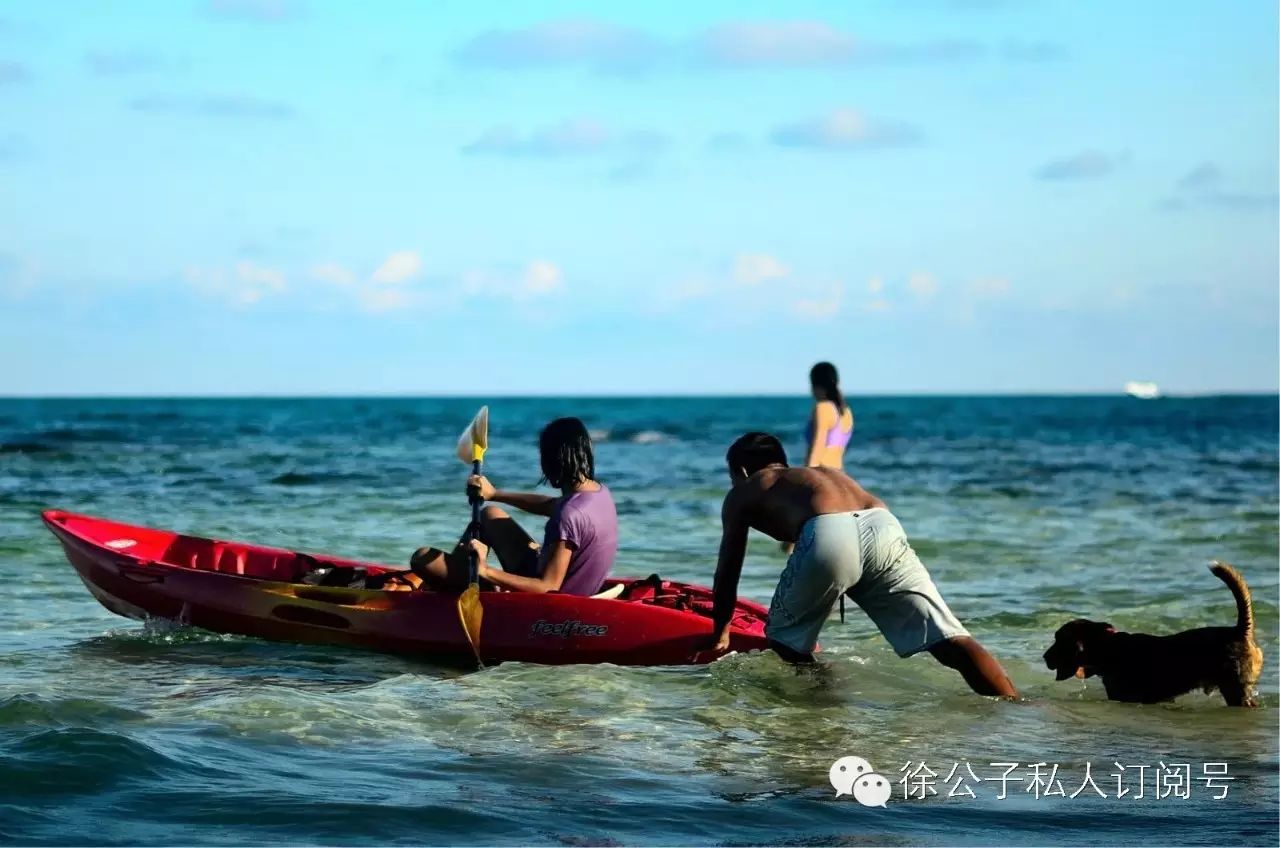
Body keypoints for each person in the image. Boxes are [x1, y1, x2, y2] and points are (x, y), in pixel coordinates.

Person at [706, 432, 1018, 698]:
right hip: (883, 524)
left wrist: (720, 633)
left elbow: (728, 569)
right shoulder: (819, 475)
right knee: (947, 639)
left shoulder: (747, 490)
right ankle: (1016, 707)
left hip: (828, 530)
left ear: (742, 470)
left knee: (784, 639)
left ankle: (828, 709)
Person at [407, 417, 618, 596]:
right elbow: (550, 505)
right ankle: (461, 580)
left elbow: (548, 587)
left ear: (553, 460)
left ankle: (469, 587)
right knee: (489, 514)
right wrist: (494, 494)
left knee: (422, 558)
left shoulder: (569, 515)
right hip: (566, 579)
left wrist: (486, 570)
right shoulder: (598, 494)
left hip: (552, 605)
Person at [805, 361, 854, 470]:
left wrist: (806, 477)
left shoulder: (822, 408)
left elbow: (817, 447)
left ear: (817, 385)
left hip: (822, 473)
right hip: (840, 473)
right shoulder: (846, 412)